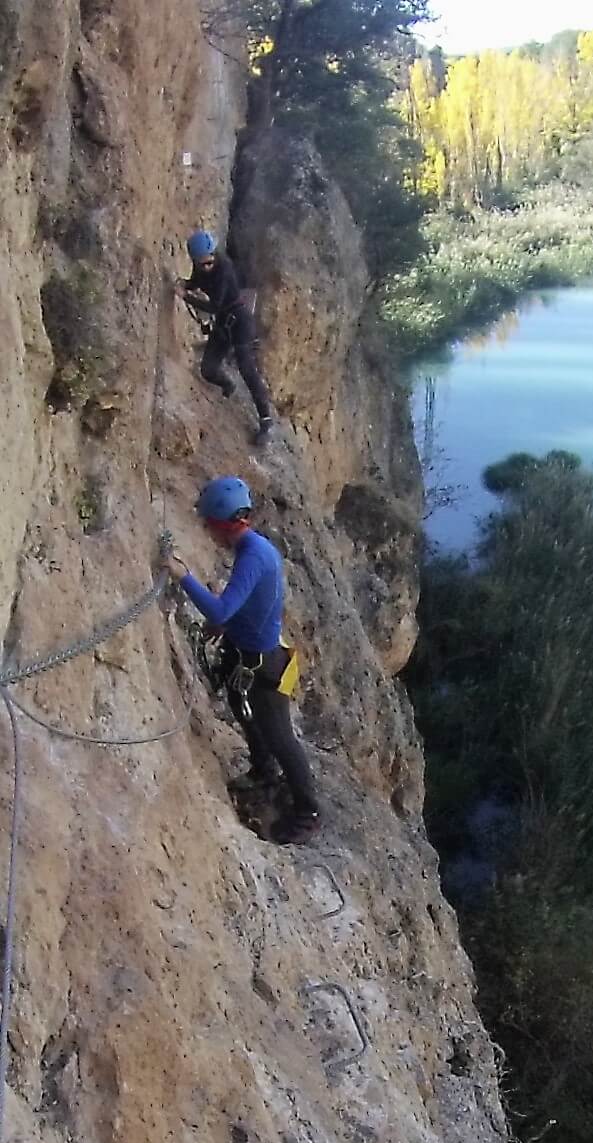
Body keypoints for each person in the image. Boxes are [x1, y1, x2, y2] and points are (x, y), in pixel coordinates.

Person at [165, 476, 320, 845]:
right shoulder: (256, 549)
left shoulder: (253, 557)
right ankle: (263, 770)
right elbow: (254, 605)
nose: (207, 532)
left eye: (208, 525)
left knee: (280, 736)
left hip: (262, 661)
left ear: (221, 524)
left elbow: (221, 607)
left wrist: (184, 576)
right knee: (239, 702)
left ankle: (308, 811)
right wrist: (228, 628)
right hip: (250, 647)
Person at [177, 231, 276, 447]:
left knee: (247, 369)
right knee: (208, 370)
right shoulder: (202, 267)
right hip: (224, 324)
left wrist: (187, 297)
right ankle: (227, 385)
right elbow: (197, 281)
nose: (204, 265)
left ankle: (266, 421)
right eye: (201, 262)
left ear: (212, 254)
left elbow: (215, 306)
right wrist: (185, 285)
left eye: (207, 261)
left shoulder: (224, 269)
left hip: (239, 322)